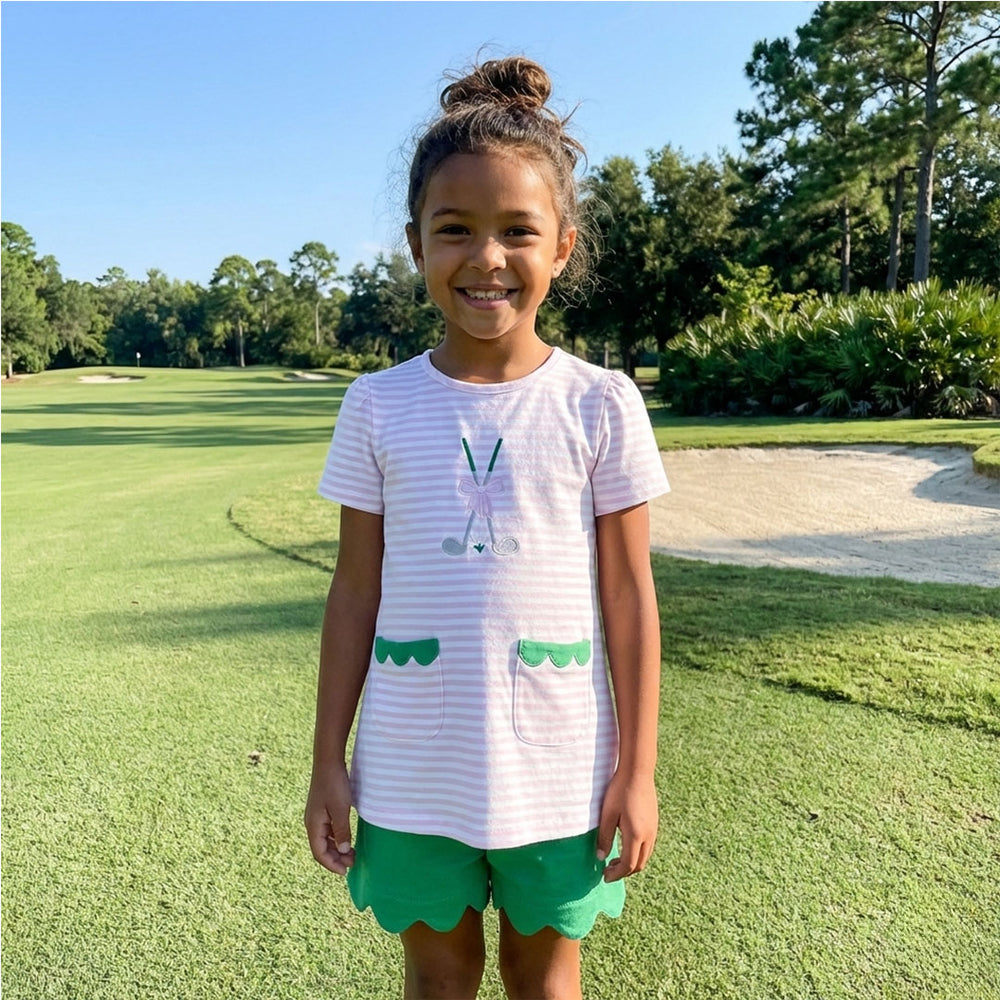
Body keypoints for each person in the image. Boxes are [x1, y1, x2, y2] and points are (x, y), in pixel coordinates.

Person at [304, 55, 669, 1000]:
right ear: (416, 242)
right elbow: (356, 591)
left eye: (518, 231)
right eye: (455, 230)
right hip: (411, 767)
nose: (487, 258)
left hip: (562, 767)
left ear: (563, 246)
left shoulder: (601, 404)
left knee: (545, 981)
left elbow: (629, 595)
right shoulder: (377, 407)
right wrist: (326, 763)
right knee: (439, 977)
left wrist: (640, 769)